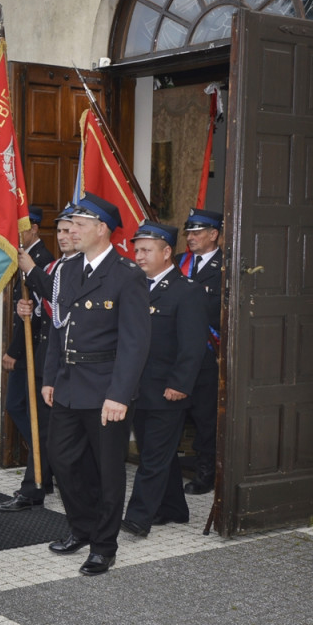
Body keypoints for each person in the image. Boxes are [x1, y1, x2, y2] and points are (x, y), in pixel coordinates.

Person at [42, 193, 150, 576]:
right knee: (63, 459)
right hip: (69, 383)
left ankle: (103, 546)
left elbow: (135, 343)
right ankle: (82, 528)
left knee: (107, 470)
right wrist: (50, 377)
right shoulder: (68, 270)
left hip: (106, 388)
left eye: (80, 224)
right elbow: (57, 329)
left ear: (102, 229)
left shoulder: (127, 275)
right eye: (70, 224)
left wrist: (120, 394)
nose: (72, 230)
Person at [122, 221, 206, 537]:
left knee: (153, 459)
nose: (138, 256)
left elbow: (193, 345)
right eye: (136, 250)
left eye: (146, 250)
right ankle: (174, 508)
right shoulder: (135, 288)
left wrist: (181, 384)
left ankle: (138, 517)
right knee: (157, 453)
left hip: (167, 390)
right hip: (138, 389)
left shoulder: (187, 291)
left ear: (166, 252)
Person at [0, 205, 79, 511]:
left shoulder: (82, 268)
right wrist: (27, 311)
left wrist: (30, 270)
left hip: (75, 365)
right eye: (60, 231)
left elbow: (62, 300)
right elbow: (49, 311)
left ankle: (54, 486)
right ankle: (34, 487)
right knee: (41, 427)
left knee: (70, 434)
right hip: (48, 359)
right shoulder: (57, 267)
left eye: (71, 230)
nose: (64, 236)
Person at [176, 208, 224, 495]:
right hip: (178, 350)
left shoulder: (225, 265)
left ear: (213, 234)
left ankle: (206, 472)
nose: (190, 237)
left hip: (208, 351)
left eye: (196, 232)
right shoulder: (179, 263)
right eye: (188, 232)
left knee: (206, 415)